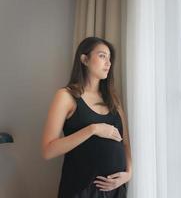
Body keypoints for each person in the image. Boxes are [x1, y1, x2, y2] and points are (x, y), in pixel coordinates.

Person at [41, 37, 132, 198]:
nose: (108, 63)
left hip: (116, 190)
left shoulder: (113, 100)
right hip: (81, 189)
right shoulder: (66, 96)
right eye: (102, 56)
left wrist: (129, 173)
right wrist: (93, 129)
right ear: (84, 59)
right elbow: (48, 150)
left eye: (110, 58)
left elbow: (125, 143)